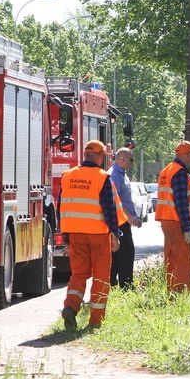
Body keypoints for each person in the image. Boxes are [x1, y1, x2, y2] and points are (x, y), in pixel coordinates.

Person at [58, 140, 122, 330]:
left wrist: (66, 237)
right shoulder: (102, 177)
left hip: (75, 233)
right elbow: (109, 209)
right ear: (100, 156)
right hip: (98, 233)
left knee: (79, 274)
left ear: (86, 155)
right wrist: (115, 234)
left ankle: (70, 306)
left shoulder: (68, 176)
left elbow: (61, 207)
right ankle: (95, 321)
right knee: (101, 277)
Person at [156, 140, 190, 293]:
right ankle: (181, 295)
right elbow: (181, 202)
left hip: (166, 221)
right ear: (187, 155)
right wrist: (188, 228)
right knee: (183, 260)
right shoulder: (180, 173)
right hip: (177, 222)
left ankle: (172, 293)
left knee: (171, 259)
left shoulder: (167, 170)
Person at [107, 147, 142, 289]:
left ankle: (115, 284)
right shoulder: (114, 175)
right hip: (119, 221)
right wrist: (130, 218)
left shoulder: (122, 174)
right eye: (131, 160)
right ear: (122, 159)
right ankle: (125, 286)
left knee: (119, 254)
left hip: (121, 220)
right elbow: (117, 201)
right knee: (125, 253)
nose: (132, 163)